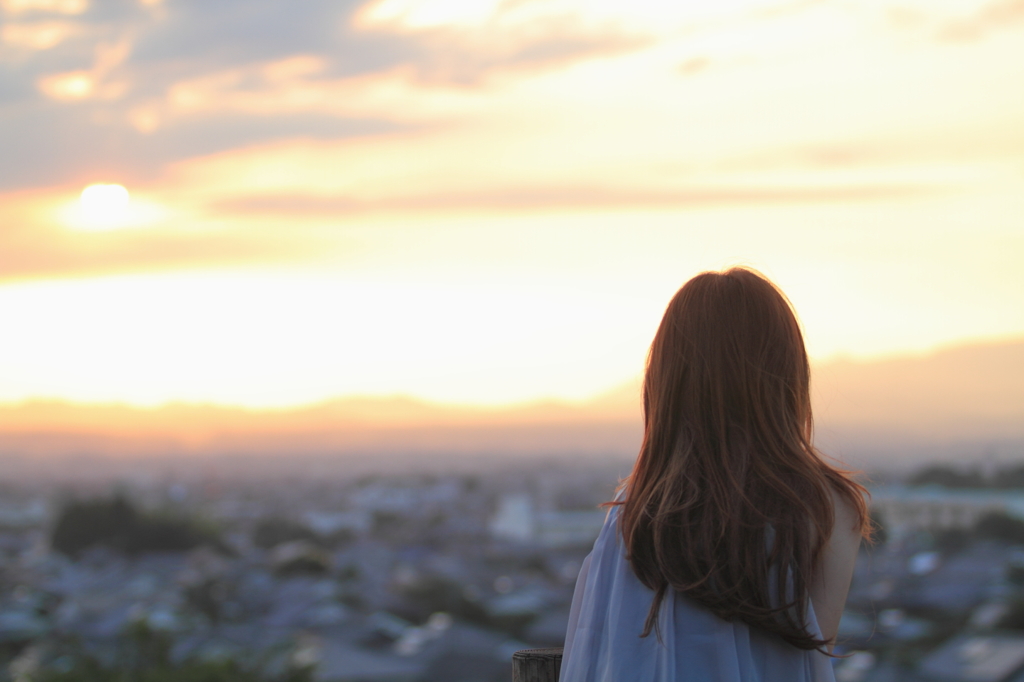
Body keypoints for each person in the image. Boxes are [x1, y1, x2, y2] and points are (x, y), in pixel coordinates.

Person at [560, 268, 869, 682]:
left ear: (667, 378)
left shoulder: (633, 513)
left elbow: (597, 656)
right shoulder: (826, 506)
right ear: (786, 373)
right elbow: (811, 655)